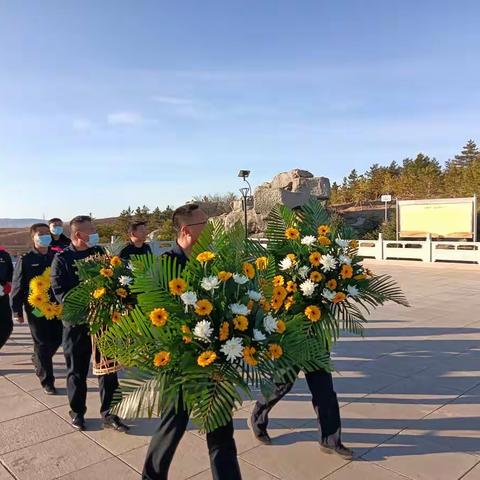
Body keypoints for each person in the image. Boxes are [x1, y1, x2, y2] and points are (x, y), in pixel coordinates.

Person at [142, 204, 242, 480]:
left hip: (215, 362)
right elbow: (154, 318)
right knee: (172, 425)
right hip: (180, 364)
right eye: (203, 225)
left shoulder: (213, 262)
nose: (210, 229)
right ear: (186, 230)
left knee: (221, 428)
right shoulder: (163, 266)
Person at [51, 215, 129, 432]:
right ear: (78, 235)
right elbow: (61, 294)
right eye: (91, 230)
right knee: (76, 371)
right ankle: (77, 413)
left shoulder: (100, 254)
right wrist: (89, 303)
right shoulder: (62, 260)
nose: (95, 234)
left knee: (109, 371)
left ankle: (110, 414)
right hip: (77, 325)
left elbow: (114, 281)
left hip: (103, 325)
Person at [249, 365, 353, 458]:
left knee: (325, 392)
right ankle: (257, 418)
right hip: (292, 346)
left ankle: (329, 440)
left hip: (317, 347)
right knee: (280, 385)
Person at [10, 224, 63, 394]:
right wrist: (16, 310)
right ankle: (47, 380)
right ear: (33, 237)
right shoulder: (26, 259)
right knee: (41, 342)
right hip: (36, 308)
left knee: (57, 339)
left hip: (55, 307)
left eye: (47, 233)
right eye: (41, 234)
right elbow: (17, 286)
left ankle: (38, 359)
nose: (45, 236)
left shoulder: (56, 256)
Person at [0, 246, 14, 350]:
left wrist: (8, 285)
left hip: (2, 296)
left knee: (7, 326)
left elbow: (10, 273)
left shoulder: (4, 255)